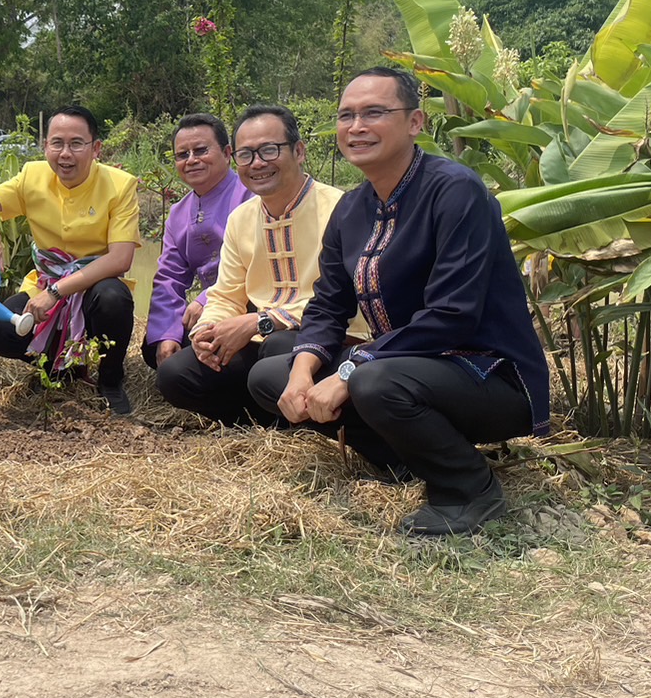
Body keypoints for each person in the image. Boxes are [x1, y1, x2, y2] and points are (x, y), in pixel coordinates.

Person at [248, 67, 551, 536]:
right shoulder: (351, 209)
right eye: (346, 115)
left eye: (374, 112)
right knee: (272, 374)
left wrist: (349, 372)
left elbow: (453, 316)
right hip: (401, 368)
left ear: (415, 123)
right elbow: (328, 307)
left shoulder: (455, 191)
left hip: (488, 374)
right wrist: (305, 371)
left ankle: (468, 490)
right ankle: (403, 459)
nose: (356, 126)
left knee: (372, 381)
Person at [157, 104, 364, 425]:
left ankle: (308, 416)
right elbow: (226, 295)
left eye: (269, 150)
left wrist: (261, 322)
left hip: (330, 340)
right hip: (265, 338)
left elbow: (346, 300)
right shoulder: (242, 218)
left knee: (278, 347)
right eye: (246, 154)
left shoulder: (338, 209)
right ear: (235, 159)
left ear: (299, 151)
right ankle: (272, 422)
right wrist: (205, 332)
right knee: (175, 374)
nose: (257, 164)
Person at [0, 106, 141, 414]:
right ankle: (59, 369)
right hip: (43, 283)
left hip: (93, 287)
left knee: (114, 298)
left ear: (95, 148)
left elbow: (120, 259)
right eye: (56, 143)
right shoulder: (33, 176)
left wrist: (57, 291)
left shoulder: (120, 186)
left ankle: (110, 380)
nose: (65, 154)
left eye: (76, 144)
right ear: (45, 146)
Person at [143, 113, 251, 369]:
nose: (192, 160)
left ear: (227, 153)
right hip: (205, 311)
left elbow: (256, 262)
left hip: (246, 303)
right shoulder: (178, 213)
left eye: (201, 150)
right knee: (155, 348)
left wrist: (205, 299)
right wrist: (167, 333)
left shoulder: (251, 195)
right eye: (183, 154)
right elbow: (169, 276)